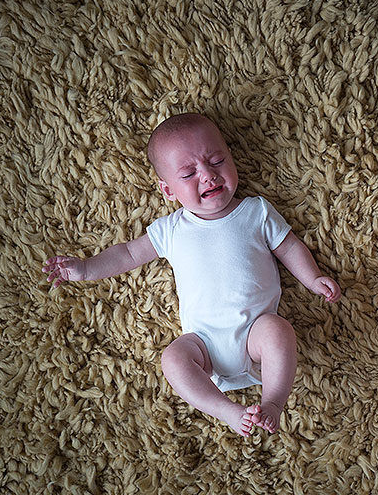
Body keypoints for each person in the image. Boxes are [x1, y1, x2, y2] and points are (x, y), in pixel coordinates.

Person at [42, 113, 341, 437]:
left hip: (256, 334)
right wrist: (86, 269)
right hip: (204, 347)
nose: (208, 175)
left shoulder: (255, 211)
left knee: (279, 330)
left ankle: (272, 403)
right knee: (172, 358)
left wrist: (312, 278)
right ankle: (226, 410)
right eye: (189, 173)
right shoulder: (172, 229)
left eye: (216, 160)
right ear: (168, 190)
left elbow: (288, 247)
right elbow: (128, 253)